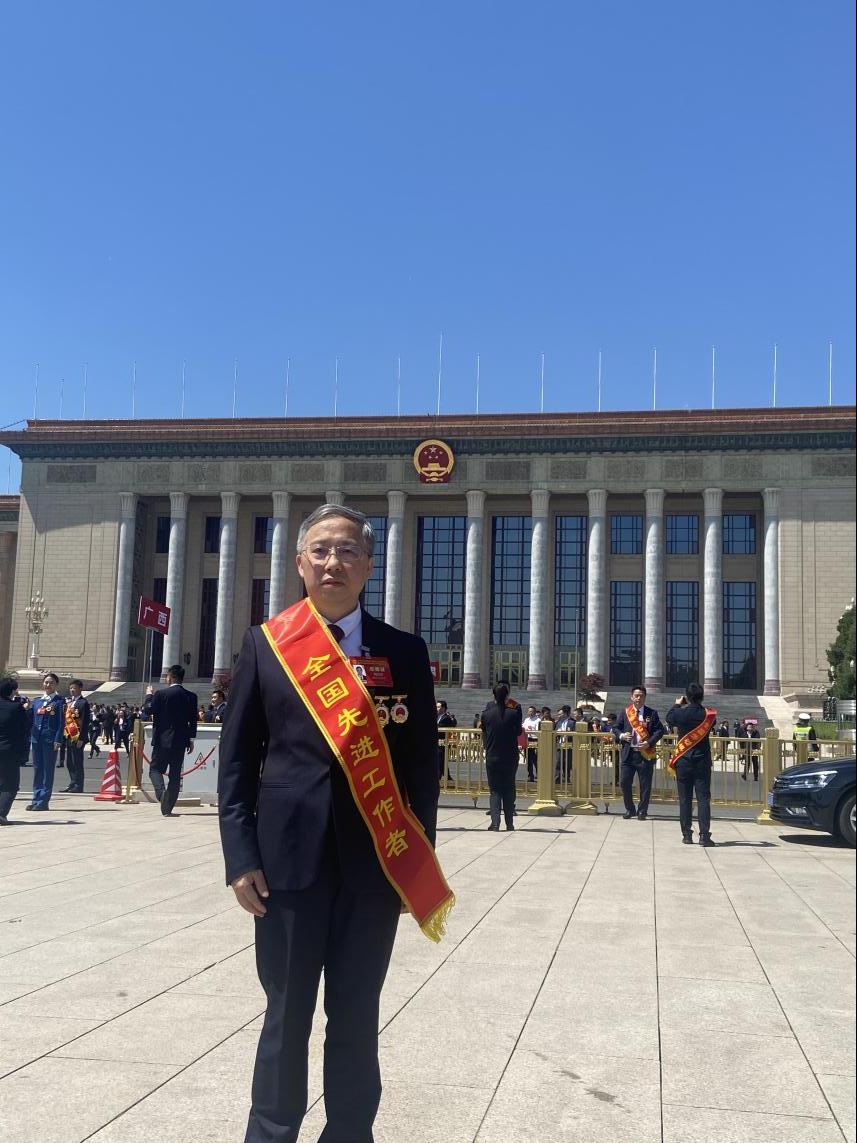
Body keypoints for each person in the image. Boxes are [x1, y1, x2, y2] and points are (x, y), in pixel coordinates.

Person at [218, 503, 449, 1143]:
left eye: (347, 551)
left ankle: (349, 1132)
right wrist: (240, 858)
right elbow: (236, 763)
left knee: (356, 1014)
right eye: (320, 551)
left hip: (375, 866)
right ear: (299, 564)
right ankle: (271, 1132)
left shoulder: (404, 652)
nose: (332, 563)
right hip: (285, 867)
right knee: (285, 1014)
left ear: (369, 566)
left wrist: (414, 863)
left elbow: (421, 770)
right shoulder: (267, 645)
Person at [666, 683, 716, 846]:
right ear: (702, 696)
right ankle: (704, 836)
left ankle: (687, 835)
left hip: (684, 761)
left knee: (685, 799)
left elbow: (669, 718)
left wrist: (677, 704)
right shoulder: (709, 715)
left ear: (686, 697)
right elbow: (712, 724)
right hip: (702, 761)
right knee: (703, 799)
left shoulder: (680, 713)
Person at [148, 665, 198, 817]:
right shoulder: (191, 696)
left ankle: (162, 794)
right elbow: (193, 720)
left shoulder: (161, 694)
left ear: (171, 677)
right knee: (175, 774)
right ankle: (168, 807)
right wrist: (191, 739)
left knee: (155, 769)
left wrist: (149, 696)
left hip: (162, 739)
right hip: (180, 740)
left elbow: (148, 710)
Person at [612, 685, 665, 821]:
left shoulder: (651, 713)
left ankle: (642, 811)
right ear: (631, 697)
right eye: (636, 695)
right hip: (628, 754)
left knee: (645, 785)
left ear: (645, 697)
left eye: (641, 696)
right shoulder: (625, 712)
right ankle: (630, 809)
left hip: (645, 754)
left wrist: (649, 742)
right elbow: (616, 728)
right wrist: (622, 735)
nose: (638, 698)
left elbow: (660, 731)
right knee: (624, 783)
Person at [480, 681, 523, 831]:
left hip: (493, 755)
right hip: (510, 755)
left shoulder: (486, 714)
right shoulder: (514, 713)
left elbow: (484, 732)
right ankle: (509, 823)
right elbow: (518, 732)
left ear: (493, 695)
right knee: (509, 788)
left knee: (495, 790)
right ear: (507, 696)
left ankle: (495, 823)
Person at [27, 672, 65, 811]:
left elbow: (61, 722)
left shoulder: (59, 702)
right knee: (37, 769)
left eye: (51, 683)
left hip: (50, 740)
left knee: (48, 770)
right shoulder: (37, 701)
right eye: (46, 682)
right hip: (36, 739)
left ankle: (43, 801)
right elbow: (30, 719)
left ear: (56, 685)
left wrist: (58, 739)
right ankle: (36, 798)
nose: (48, 685)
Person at [1, 677, 31, 824]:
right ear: (13, 691)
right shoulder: (16, 707)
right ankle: (1, 813)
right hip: (9, 750)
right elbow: (25, 728)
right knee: (11, 784)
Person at [62, 679, 90, 793]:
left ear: (80, 689)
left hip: (78, 736)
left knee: (77, 761)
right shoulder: (70, 702)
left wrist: (82, 738)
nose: (72, 690)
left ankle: (79, 785)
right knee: (69, 762)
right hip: (69, 735)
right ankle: (72, 782)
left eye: (74, 688)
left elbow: (85, 721)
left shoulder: (83, 703)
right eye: (70, 688)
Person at [436, 699, 456, 780]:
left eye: (438, 707)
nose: (436, 709)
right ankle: (448, 777)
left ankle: (438, 778)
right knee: (441, 761)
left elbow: (440, 727)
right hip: (437, 742)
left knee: (440, 760)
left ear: (443, 708)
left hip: (443, 742)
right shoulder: (437, 717)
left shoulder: (446, 718)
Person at [522, 705, 540, 781]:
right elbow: (523, 728)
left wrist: (532, 729)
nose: (530, 713)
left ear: (535, 712)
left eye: (532, 711)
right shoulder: (526, 720)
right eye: (529, 711)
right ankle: (530, 775)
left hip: (535, 740)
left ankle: (539, 774)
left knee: (535, 759)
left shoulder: (538, 720)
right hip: (527, 739)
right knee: (528, 758)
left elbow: (539, 731)